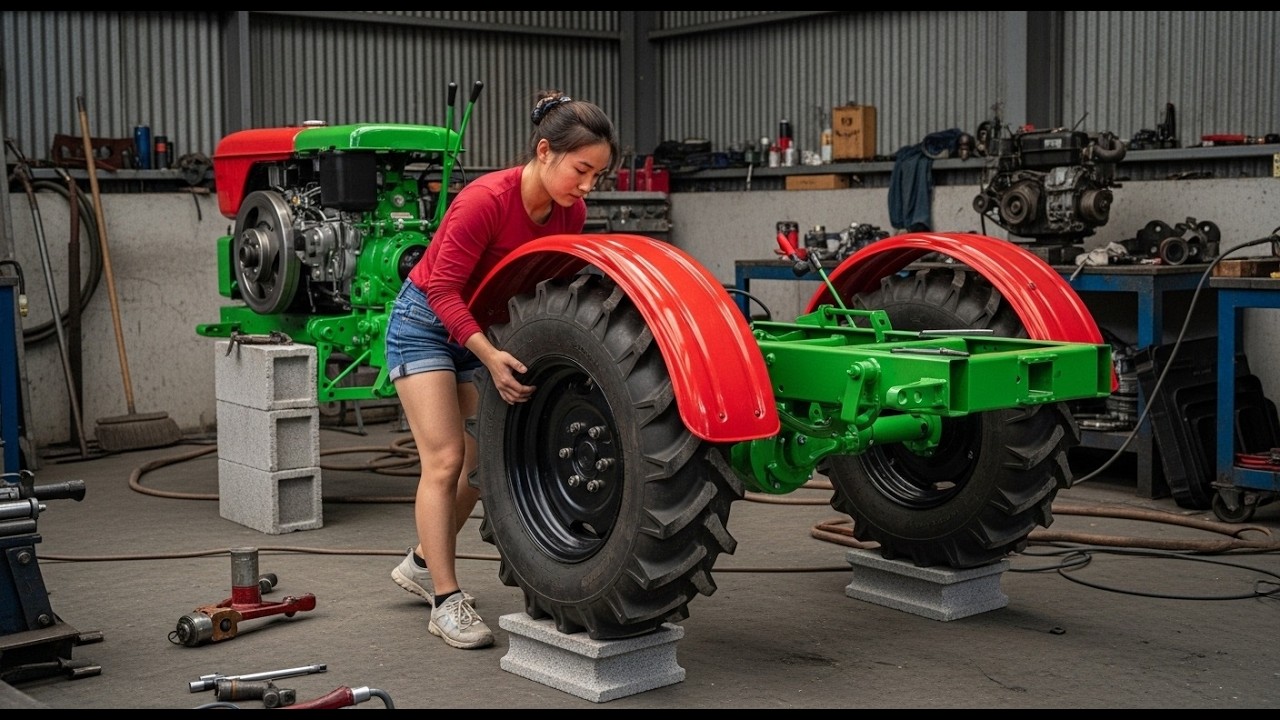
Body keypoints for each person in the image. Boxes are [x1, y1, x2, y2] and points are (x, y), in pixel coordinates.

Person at [385, 90, 619, 649]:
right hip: (425, 322)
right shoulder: (483, 199)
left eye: (597, 175)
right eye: (581, 170)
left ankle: (420, 561)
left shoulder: (571, 212)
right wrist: (489, 357)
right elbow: (440, 285)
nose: (587, 186)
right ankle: (445, 599)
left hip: (483, 331)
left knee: (482, 465)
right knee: (444, 460)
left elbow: (547, 287)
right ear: (544, 151)